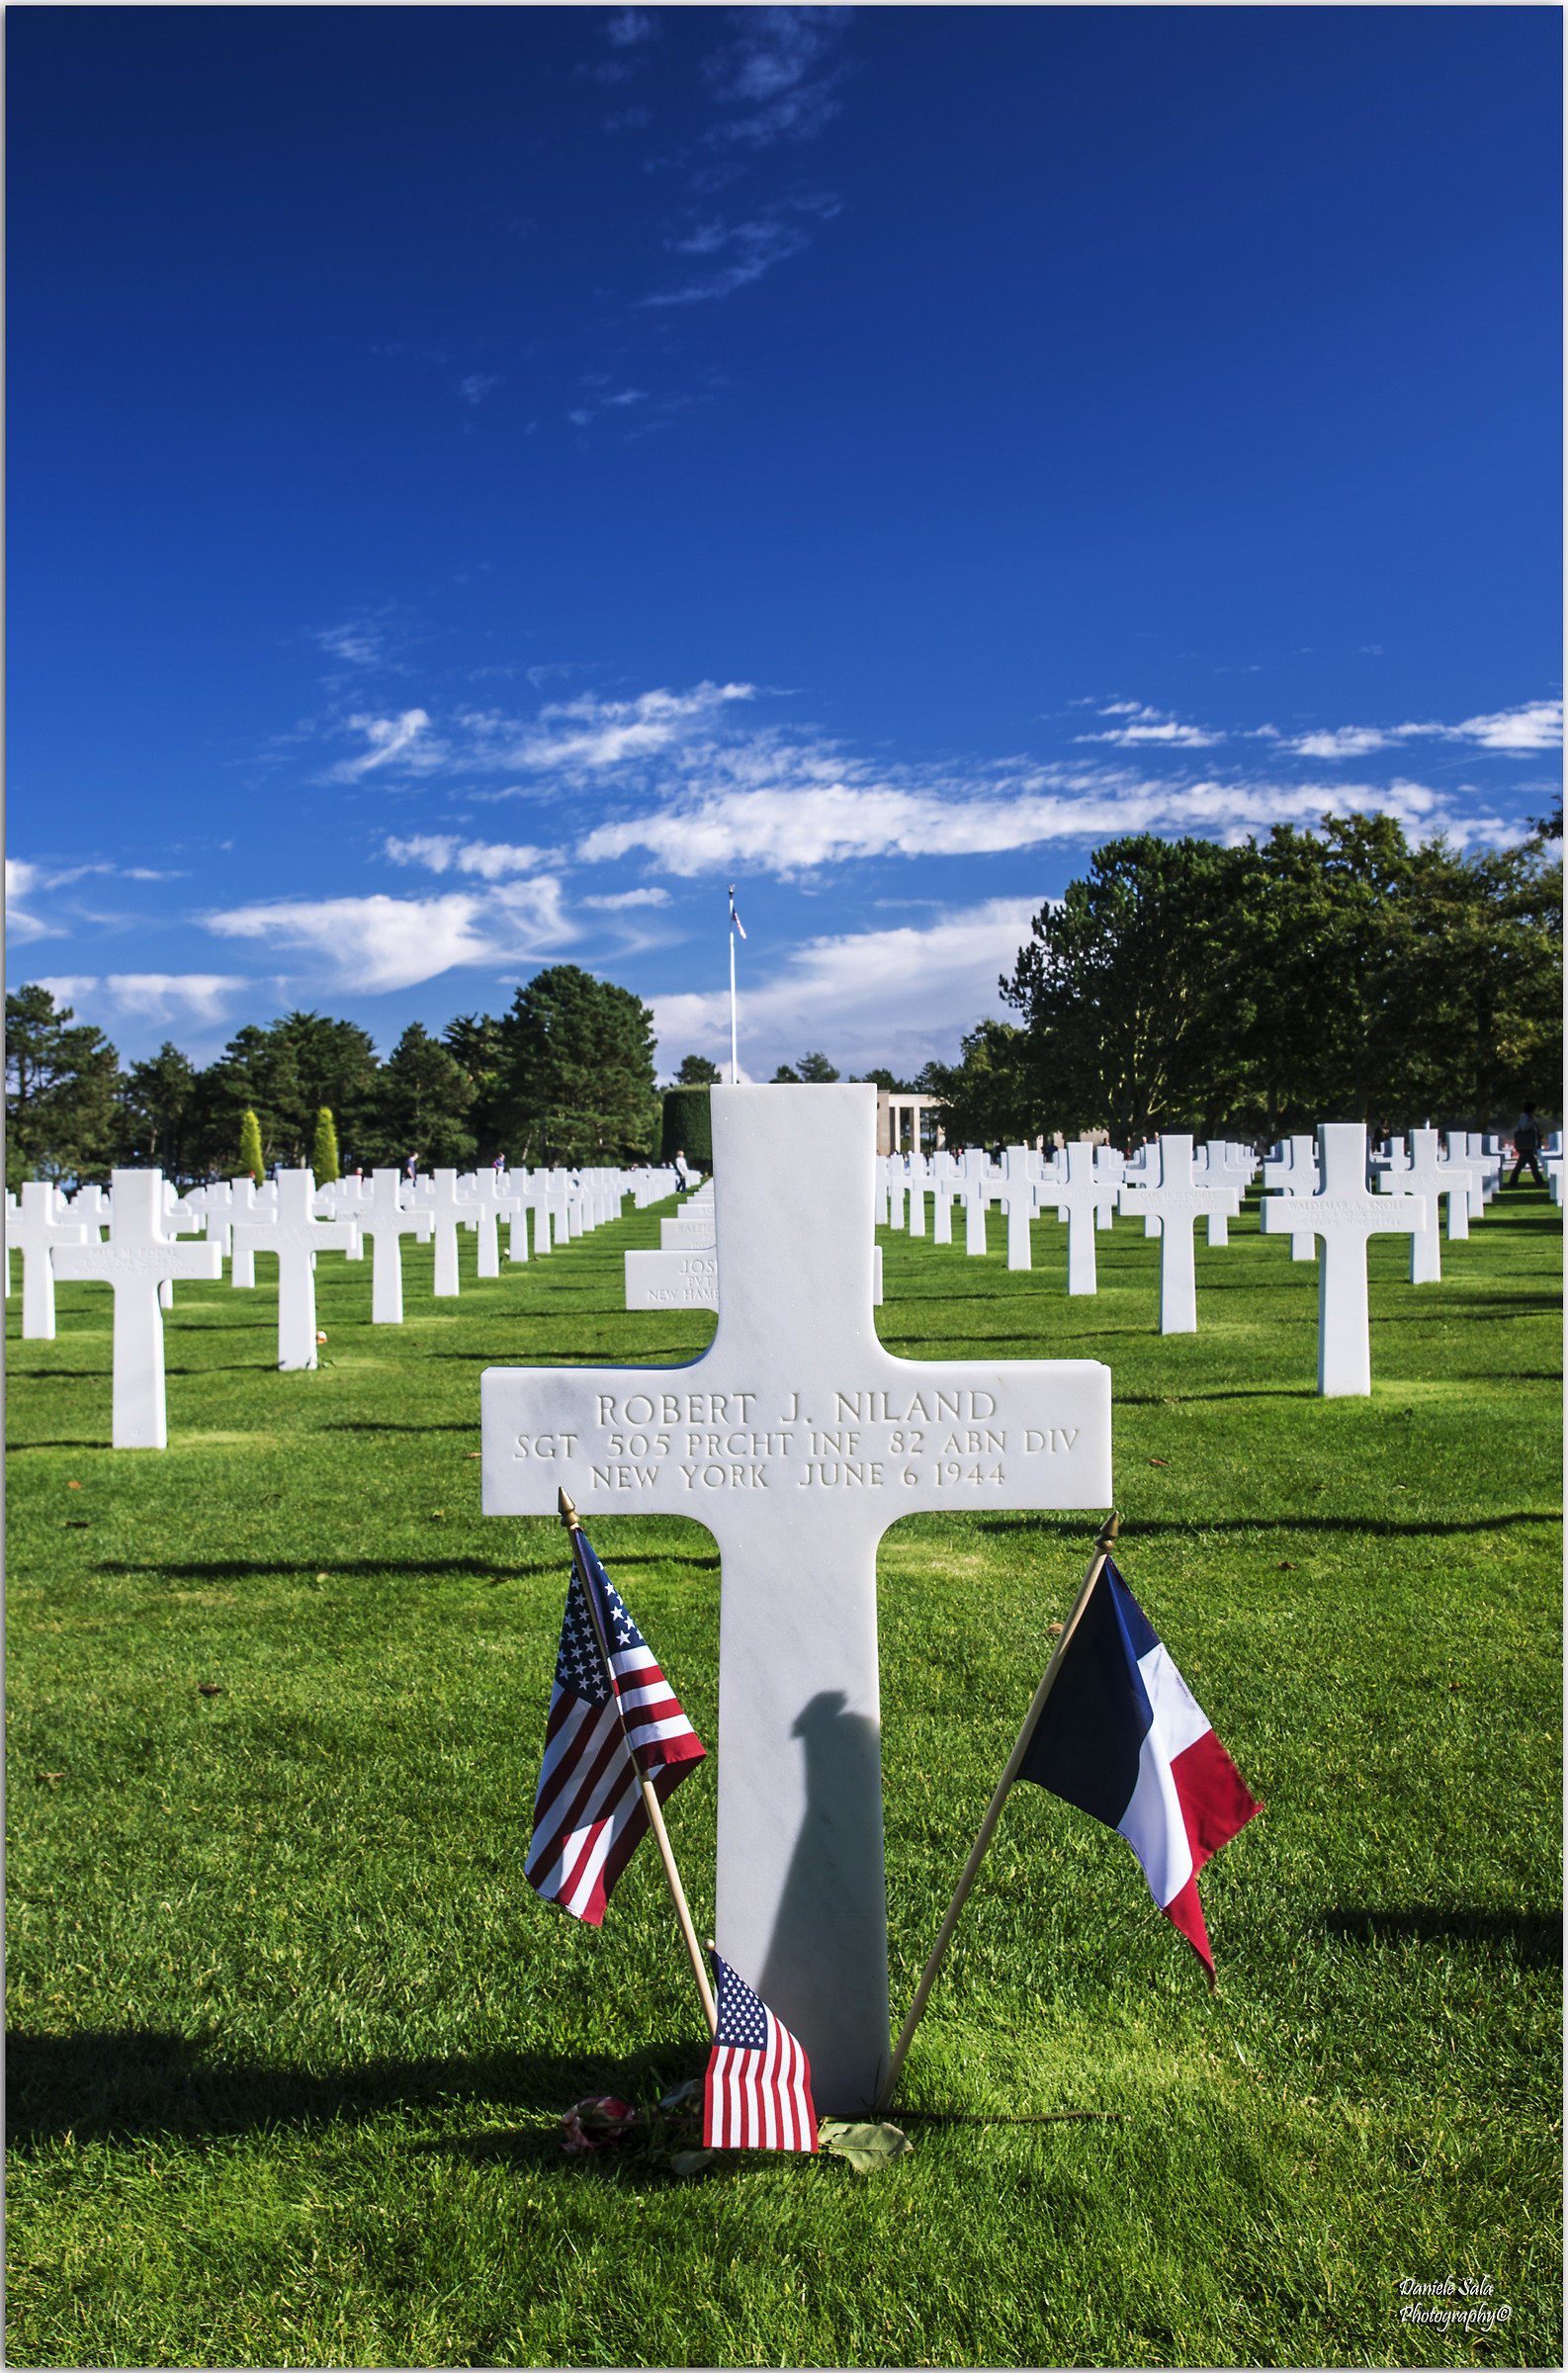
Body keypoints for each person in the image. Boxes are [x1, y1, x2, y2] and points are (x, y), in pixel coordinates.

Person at [1508, 1103, 1547, 1189]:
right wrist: (1531, 1124)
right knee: (1533, 1165)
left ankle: (1512, 1182)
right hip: (1526, 1146)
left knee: (1520, 1165)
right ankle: (1540, 1182)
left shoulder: (1527, 1117)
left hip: (1527, 1146)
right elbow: (1524, 1128)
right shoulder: (1525, 1117)